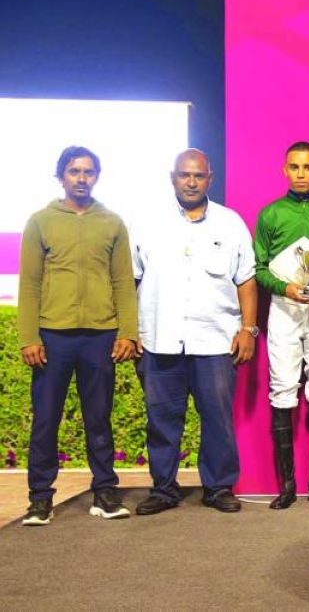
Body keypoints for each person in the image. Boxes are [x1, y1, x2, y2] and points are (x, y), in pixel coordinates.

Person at [131, 149, 258, 515]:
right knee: (161, 419)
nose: (191, 182)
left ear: (210, 179)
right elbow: (131, 279)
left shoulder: (231, 223)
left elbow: (246, 279)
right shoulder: (147, 221)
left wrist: (248, 330)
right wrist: (130, 329)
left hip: (215, 341)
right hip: (159, 339)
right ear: (172, 178)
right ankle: (163, 489)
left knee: (217, 418)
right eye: (184, 175)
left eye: (198, 176)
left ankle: (218, 488)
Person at [18, 146, 138, 526]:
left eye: (88, 172)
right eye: (74, 171)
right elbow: (30, 284)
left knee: (99, 418)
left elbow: (123, 282)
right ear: (61, 177)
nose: (81, 178)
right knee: (46, 420)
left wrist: (128, 332)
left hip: (100, 337)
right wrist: (28, 337)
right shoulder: (40, 222)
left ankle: (104, 492)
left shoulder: (113, 222)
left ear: (96, 177)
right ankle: (40, 499)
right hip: (53, 337)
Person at [253, 141, 309, 509]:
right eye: (294, 167)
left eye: (308, 167)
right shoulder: (271, 214)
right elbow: (256, 269)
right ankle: (286, 485)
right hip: (284, 310)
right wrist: (286, 287)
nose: (301, 174)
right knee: (283, 388)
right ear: (284, 170)